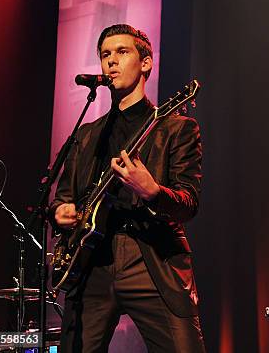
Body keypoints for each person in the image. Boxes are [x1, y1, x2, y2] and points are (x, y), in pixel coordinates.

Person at [50, 24, 205, 353]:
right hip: (92, 263)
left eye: (122, 52)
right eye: (105, 55)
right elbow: (64, 197)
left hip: (150, 258)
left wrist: (152, 191)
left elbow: (188, 203)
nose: (111, 62)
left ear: (146, 63)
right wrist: (60, 212)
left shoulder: (175, 129)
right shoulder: (87, 134)